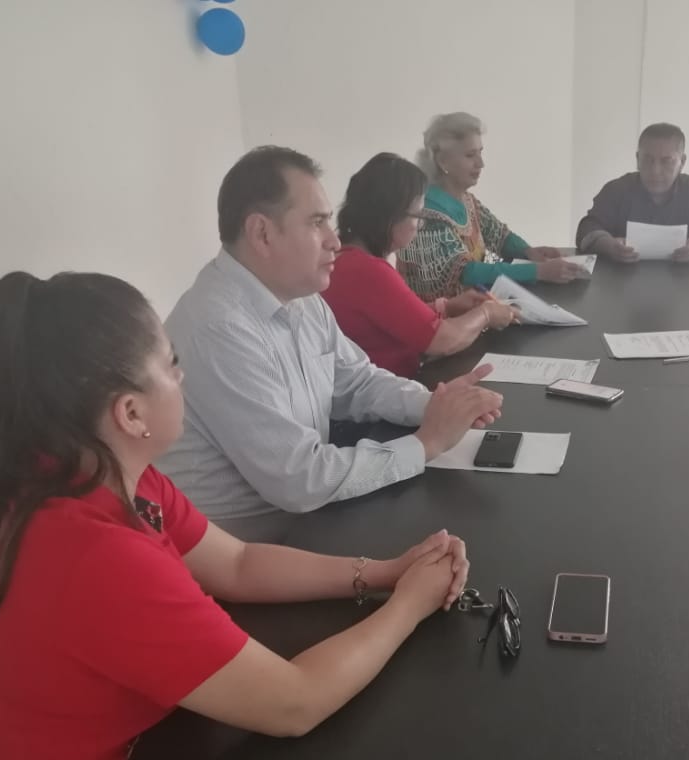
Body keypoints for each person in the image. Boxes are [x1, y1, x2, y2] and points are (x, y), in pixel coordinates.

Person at [0, 269, 472, 760]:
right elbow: (294, 703)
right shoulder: (94, 555)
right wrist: (409, 606)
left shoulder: (98, 474)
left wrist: (381, 573)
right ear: (130, 413)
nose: (182, 376)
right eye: (171, 364)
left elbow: (239, 564)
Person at [158, 146, 504, 544]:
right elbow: (298, 479)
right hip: (248, 548)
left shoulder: (300, 297)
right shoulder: (218, 328)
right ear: (262, 233)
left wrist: (435, 405)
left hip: (303, 520)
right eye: (317, 223)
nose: (335, 241)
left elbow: (356, 381)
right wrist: (426, 443)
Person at [324, 152, 520, 377]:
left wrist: (447, 307)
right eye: (417, 215)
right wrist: (486, 314)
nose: (419, 226)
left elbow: (393, 318)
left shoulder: (345, 258)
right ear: (390, 216)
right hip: (389, 389)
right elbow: (443, 340)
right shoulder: (367, 271)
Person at [397, 112, 583, 300]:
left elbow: (499, 235)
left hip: (472, 309)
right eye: (470, 155)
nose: (481, 163)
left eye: (480, 152)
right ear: (442, 161)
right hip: (439, 316)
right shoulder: (427, 214)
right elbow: (466, 272)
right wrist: (539, 271)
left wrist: (529, 252)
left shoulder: (466, 200)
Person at [575, 122, 689, 264]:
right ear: (637, 158)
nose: (655, 170)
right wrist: (609, 246)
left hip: (686, 282)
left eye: (666, 161)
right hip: (622, 280)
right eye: (647, 160)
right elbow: (586, 229)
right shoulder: (617, 190)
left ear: (682, 162)